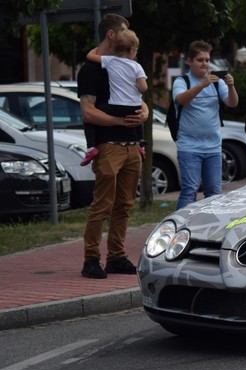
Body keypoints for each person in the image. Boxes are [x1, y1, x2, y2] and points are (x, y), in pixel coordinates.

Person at [78, 13, 148, 279]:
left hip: (132, 146)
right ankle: (91, 259)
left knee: (124, 206)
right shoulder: (91, 69)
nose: (127, 34)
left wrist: (144, 113)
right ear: (111, 34)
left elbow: (140, 97)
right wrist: (120, 119)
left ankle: (116, 257)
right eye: (124, 30)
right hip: (109, 147)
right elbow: (87, 112)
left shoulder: (129, 63)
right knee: (102, 206)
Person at [173, 40, 239, 209]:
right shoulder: (182, 81)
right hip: (189, 146)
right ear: (190, 61)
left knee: (214, 192)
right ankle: (179, 228)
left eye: (207, 60)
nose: (204, 64)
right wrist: (202, 85)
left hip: (213, 147)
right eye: (200, 60)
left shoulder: (218, 82)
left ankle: (211, 230)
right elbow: (181, 100)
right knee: (189, 190)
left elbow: (232, 103)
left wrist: (231, 87)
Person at [83, 28, 147, 164]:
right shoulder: (137, 66)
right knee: (137, 116)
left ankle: (91, 147)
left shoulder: (110, 61)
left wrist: (99, 48)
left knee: (91, 116)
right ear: (132, 50)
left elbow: (89, 56)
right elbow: (144, 87)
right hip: (133, 105)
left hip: (116, 106)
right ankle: (141, 145)